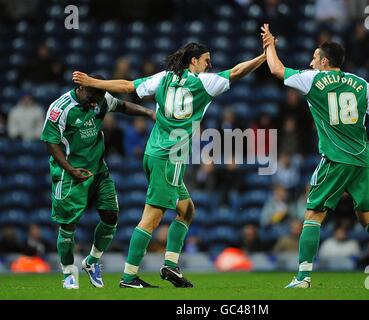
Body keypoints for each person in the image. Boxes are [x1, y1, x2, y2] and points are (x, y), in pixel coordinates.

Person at [73, 42, 266, 288]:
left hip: (153, 153)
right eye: (206, 60)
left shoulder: (163, 78)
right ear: (193, 61)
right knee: (151, 218)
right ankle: (129, 277)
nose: (210, 64)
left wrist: (93, 81)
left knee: (187, 210)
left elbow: (126, 86)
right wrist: (263, 55)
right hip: (169, 158)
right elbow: (238, 72)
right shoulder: (203, 82)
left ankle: (170, 266)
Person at [261, 24, 369, 289]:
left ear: (324, 61)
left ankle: (304, 277)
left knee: (313, 215)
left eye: (314, 58)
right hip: (363, 160)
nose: (310, 62)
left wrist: (269, 44)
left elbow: (276, 69)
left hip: (335, 159)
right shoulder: (362, 83)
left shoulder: (314, 79)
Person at [40, 75, 155, 289]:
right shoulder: (60, 108)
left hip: (99, 170)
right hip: (70, 174)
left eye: (98, 99)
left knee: (111, 216)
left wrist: (148, 112)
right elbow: (51, 142)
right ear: (81, 87)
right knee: (68, 225)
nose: (95, 104)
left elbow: (121, 106)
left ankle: (92, 262)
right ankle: (68, 272)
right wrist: (70, 169)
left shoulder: (99, 98)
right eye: (92, 97)